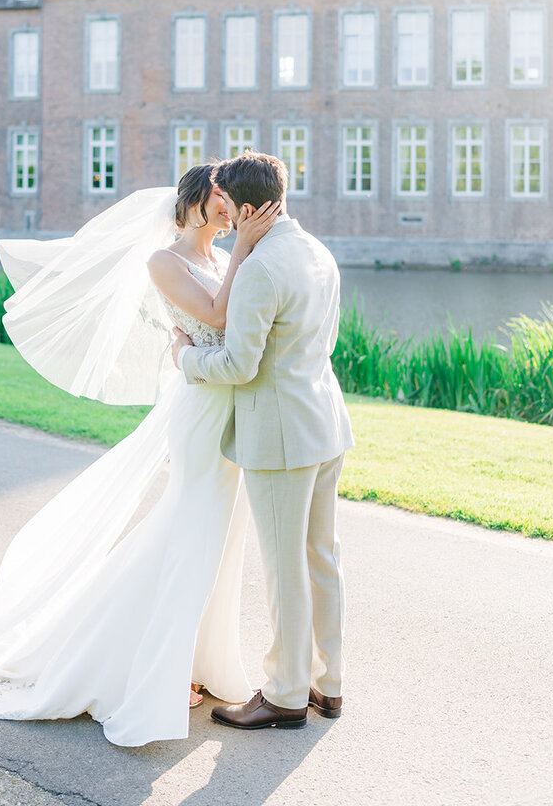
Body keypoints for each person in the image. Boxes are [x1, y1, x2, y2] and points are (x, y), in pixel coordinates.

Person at [0, 164, 278, 747]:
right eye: (225, 201)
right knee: (190, 533)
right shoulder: (164, 262)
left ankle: (198, 659)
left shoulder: (224, 260)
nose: (234, 213)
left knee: (218, 539)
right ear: (200, 199)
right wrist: (248, 250)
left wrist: (243, 259)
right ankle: (151, 667)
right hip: (200, 415)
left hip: (231, 409)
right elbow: (219, 316)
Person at [173, 151, 354, 731]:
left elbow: (238, 365)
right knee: (321, 558)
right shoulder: (316, 251)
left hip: (281, 435)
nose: (219, 216)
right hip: (325, 422)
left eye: (225, 205)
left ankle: (282, 695)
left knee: (285, 568)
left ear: (249, 208)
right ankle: (330, 685)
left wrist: (185, 356)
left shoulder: (260, 268)